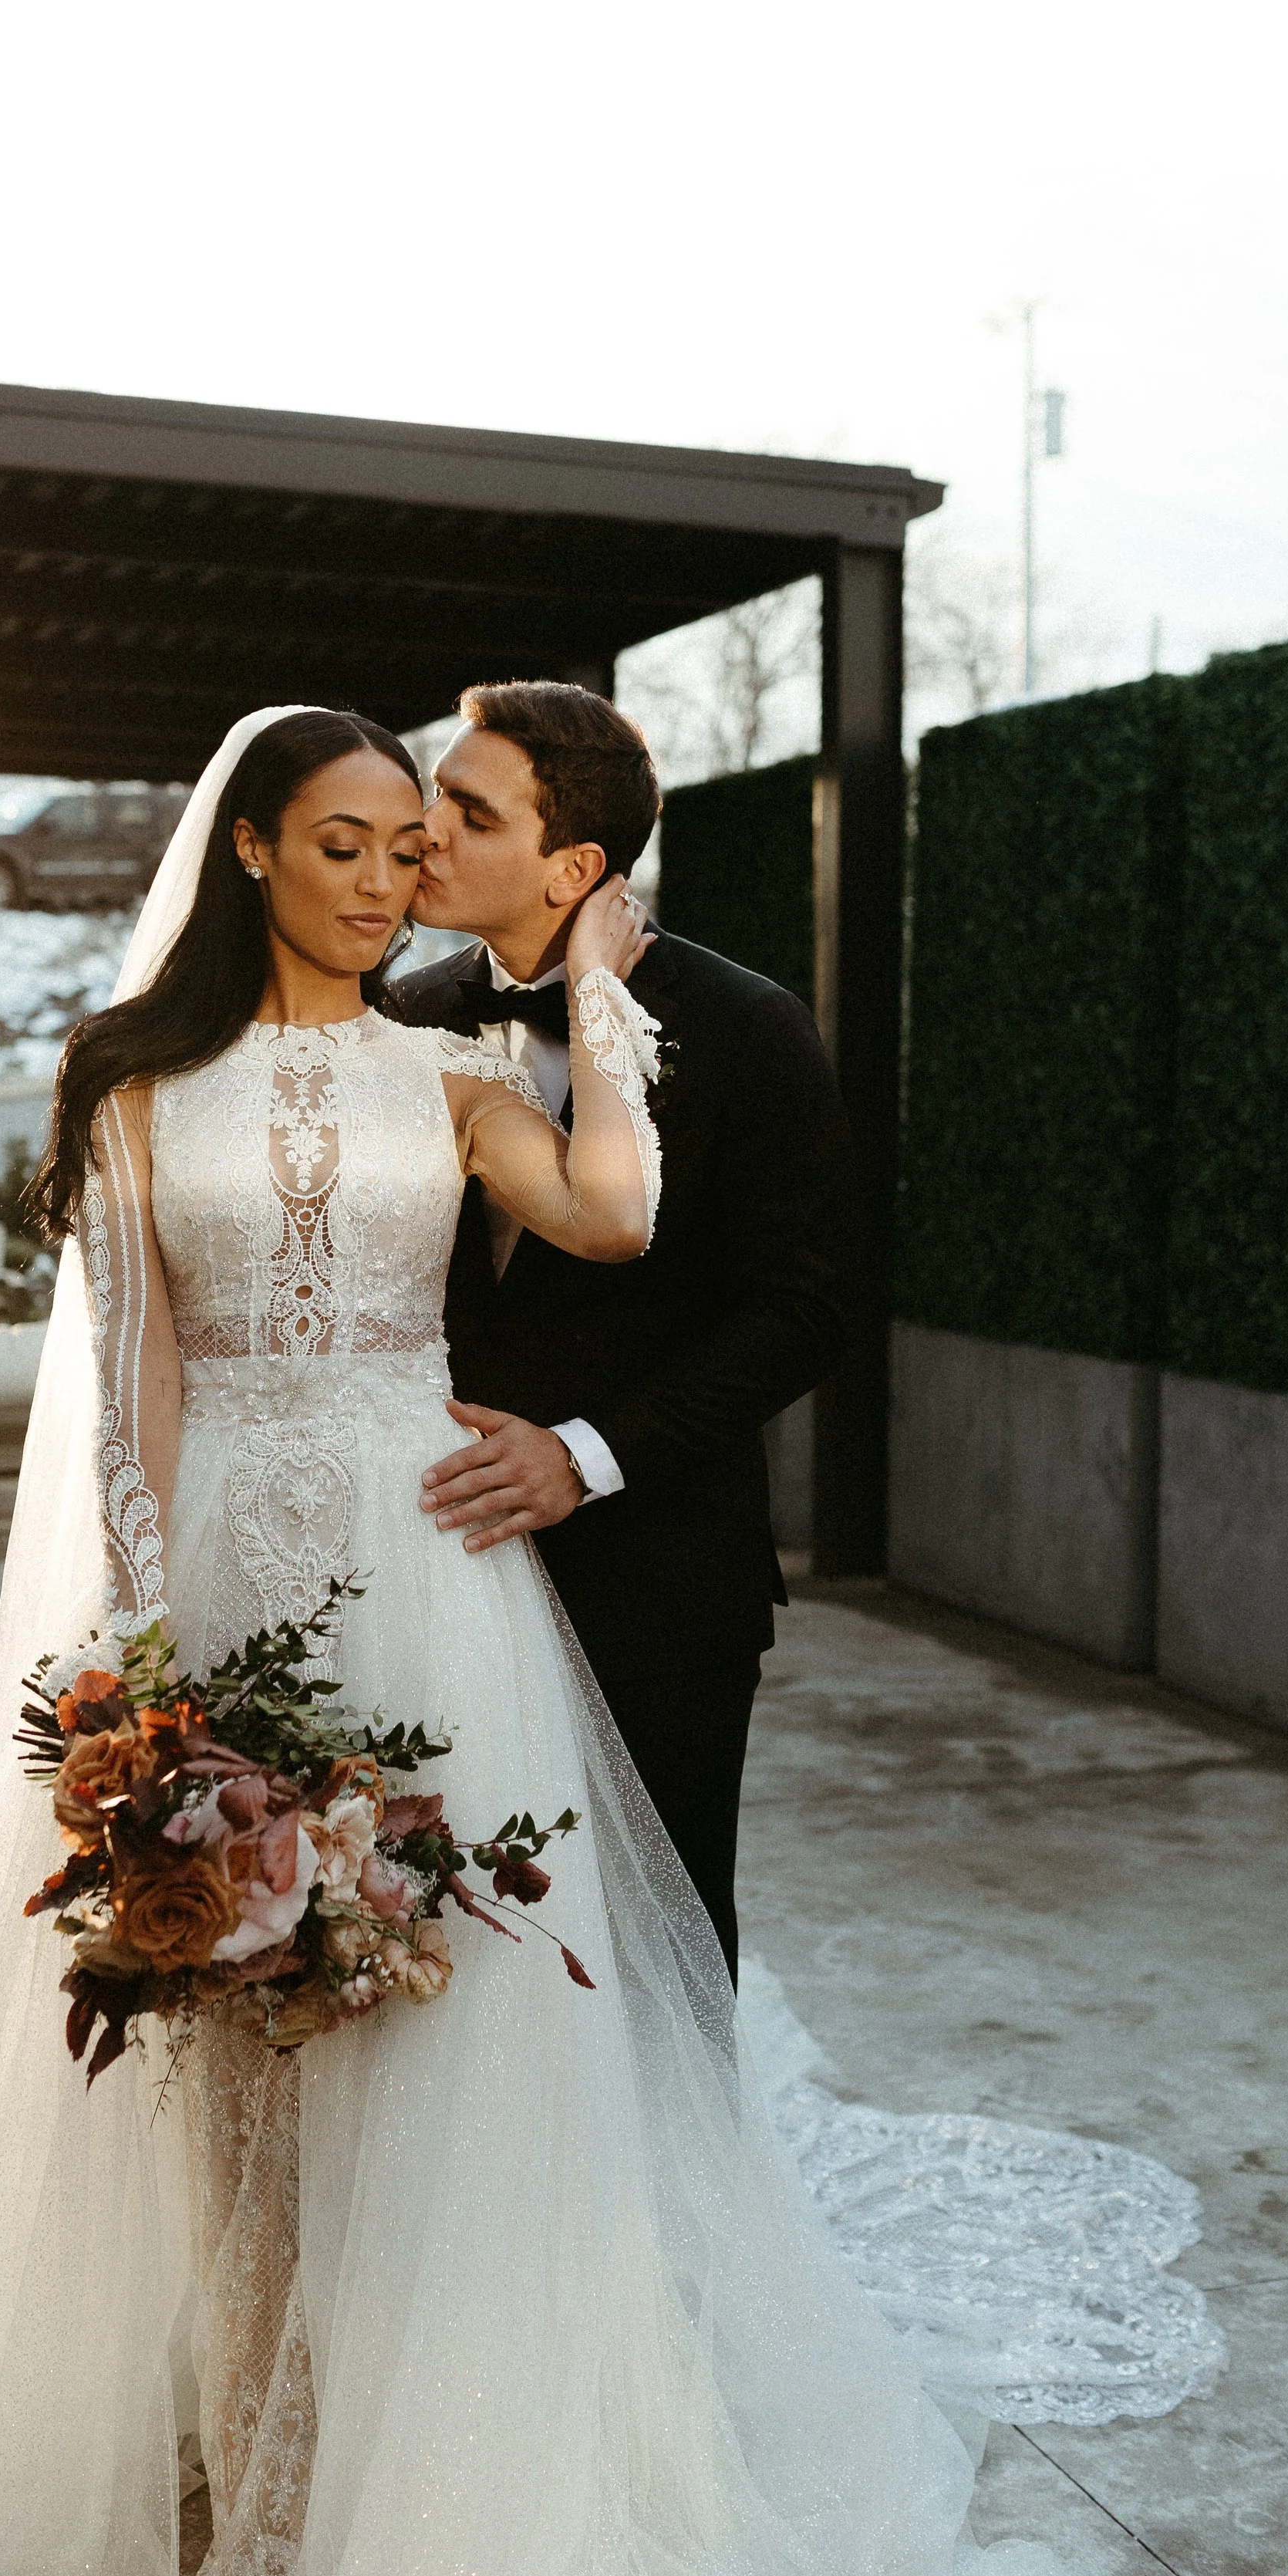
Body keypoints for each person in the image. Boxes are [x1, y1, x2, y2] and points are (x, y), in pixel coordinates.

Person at [0, 706, 1260, 2576]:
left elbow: (640, 1229)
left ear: (561, 862)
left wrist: (597, 1015)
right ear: (249, 852)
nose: (399, 870)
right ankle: (253, 2490)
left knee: (452, 2028)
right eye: (359, 838)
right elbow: (134, 1367)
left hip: (461, 1588)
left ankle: (444, 2461)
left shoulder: (487, 1053)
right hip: (224, 1569)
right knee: (217, 2038)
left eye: (432, 832)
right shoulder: (140, 1073)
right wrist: (143, 1634)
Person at [391, 681, 855, 1980]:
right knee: (444, 1946)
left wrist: (585, 1454)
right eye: (433, 792)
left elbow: (808, 1311)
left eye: (468, 811)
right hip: (436, 1561)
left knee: (662, 1950)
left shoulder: (749, 1029)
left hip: (661, 1582)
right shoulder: (393, 1022)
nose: (424, 829)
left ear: (574, 866)